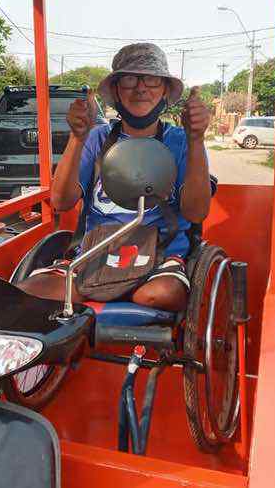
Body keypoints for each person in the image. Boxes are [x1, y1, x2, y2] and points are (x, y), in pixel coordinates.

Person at [18, 43, 212, 311]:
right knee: (30, 290)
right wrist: (77, 137)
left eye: (152, 79)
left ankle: (107, 300)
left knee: (161, 294)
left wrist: (196, 139)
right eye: (130, 79)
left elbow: (196, 213)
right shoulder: (97, 138)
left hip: (159, 257)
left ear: (165, 90)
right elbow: (61, 202)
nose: (141, 88)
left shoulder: (182, 142)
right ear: (116, 90)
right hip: (93, 254)